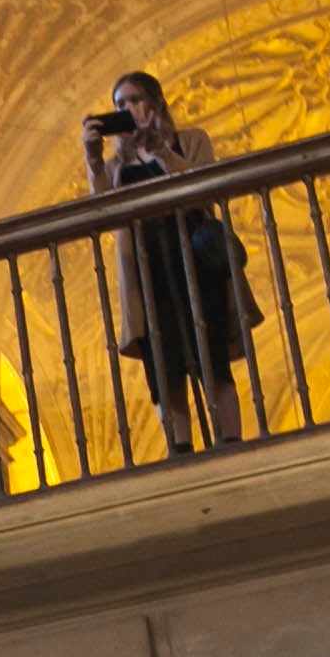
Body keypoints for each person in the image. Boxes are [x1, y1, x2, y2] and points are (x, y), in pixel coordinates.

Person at [82, 71, 261, 457]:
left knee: (210, 353)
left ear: (155, 103)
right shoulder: (116, 165)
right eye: (118, 105)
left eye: (132, 100)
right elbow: (100, 210)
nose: (125, 110)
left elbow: (202, 187)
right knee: (164, 363)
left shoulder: (190, 141)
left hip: (194, 260)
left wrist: (159, 150)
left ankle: (230, 441)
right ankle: (180, 447)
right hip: (147, 271)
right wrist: (93, 160)